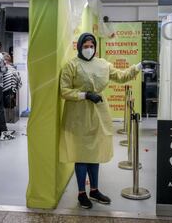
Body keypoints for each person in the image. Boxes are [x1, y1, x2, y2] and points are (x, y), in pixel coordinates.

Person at [59, 32, 143, 209]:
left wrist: (139, 66)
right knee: (81, 155)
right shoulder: (71, 65)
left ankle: (94, 190)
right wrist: (85, 95)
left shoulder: (103, 64)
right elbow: (64, 91)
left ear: (95, 47)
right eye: (85, 46)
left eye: (91, 46)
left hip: (98, 114)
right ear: (79, 47)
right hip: (78, 116)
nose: (89, 49)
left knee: (94, 153)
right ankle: (82, 193)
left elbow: (121, 76)